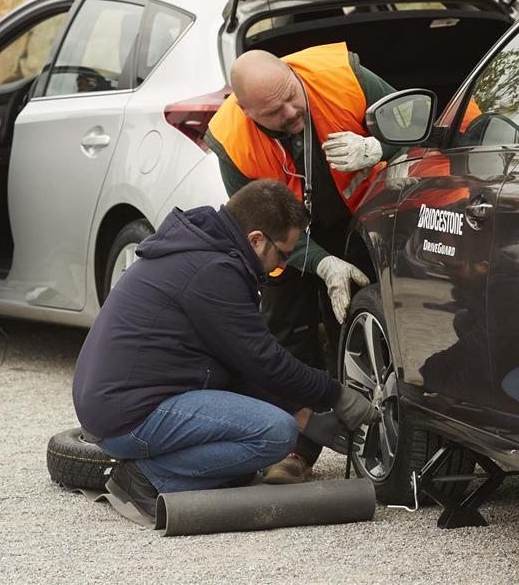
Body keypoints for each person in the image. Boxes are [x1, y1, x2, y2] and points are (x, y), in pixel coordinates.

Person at [72, 179, 374, 522]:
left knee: (254, 450)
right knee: (275, 434)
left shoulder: (202, 251)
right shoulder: (214, 271)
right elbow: (264, 361)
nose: (281, 268)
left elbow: (237, 366)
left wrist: (303, 413)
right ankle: (145, 477)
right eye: (282, 257)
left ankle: (164, 467)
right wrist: (335, 393)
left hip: (117, 405)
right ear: (256, 240)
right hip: (128, 415)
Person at [204, 44, 397, 482]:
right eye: (275, 112)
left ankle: (381, 436)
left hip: (357, 221)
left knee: (363, 324)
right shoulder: (232, 139)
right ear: (247, 110)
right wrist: (322, 263)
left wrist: (377, 146)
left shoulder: (345, 77)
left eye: (293, 96)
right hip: (286, 240)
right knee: (284, 334)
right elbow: (258, 225)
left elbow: (420, 128)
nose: (292, 112)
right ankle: (294, 450)